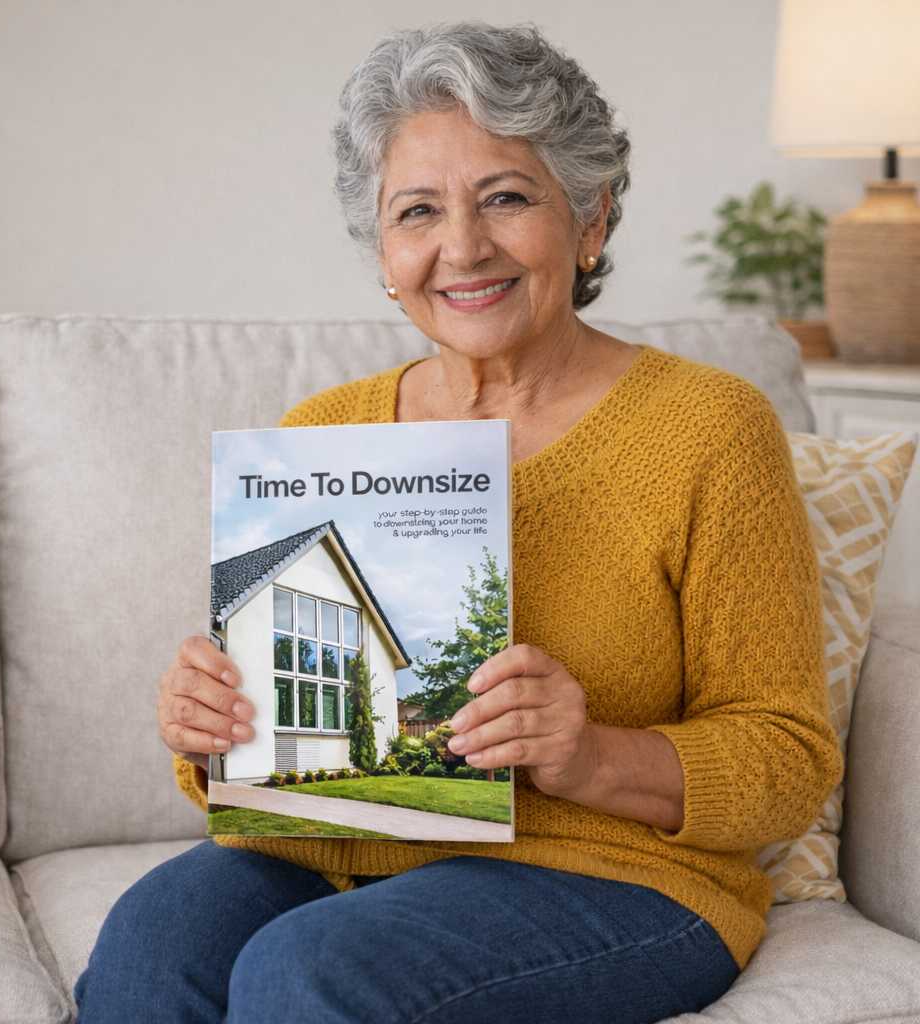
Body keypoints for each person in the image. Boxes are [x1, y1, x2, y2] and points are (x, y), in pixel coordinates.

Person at [74, 22, 841, 1024]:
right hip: (348, 854)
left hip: (616, 872)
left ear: (592, 217)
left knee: (309, 973)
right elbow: (265, 750)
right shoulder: (323, 432)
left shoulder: (710, 428)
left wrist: (588, 754)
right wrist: (210, 730)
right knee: (150, 939)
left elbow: (788, 761)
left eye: (507, 198)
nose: (463, 247)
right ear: (383, 251)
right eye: (419, 211)